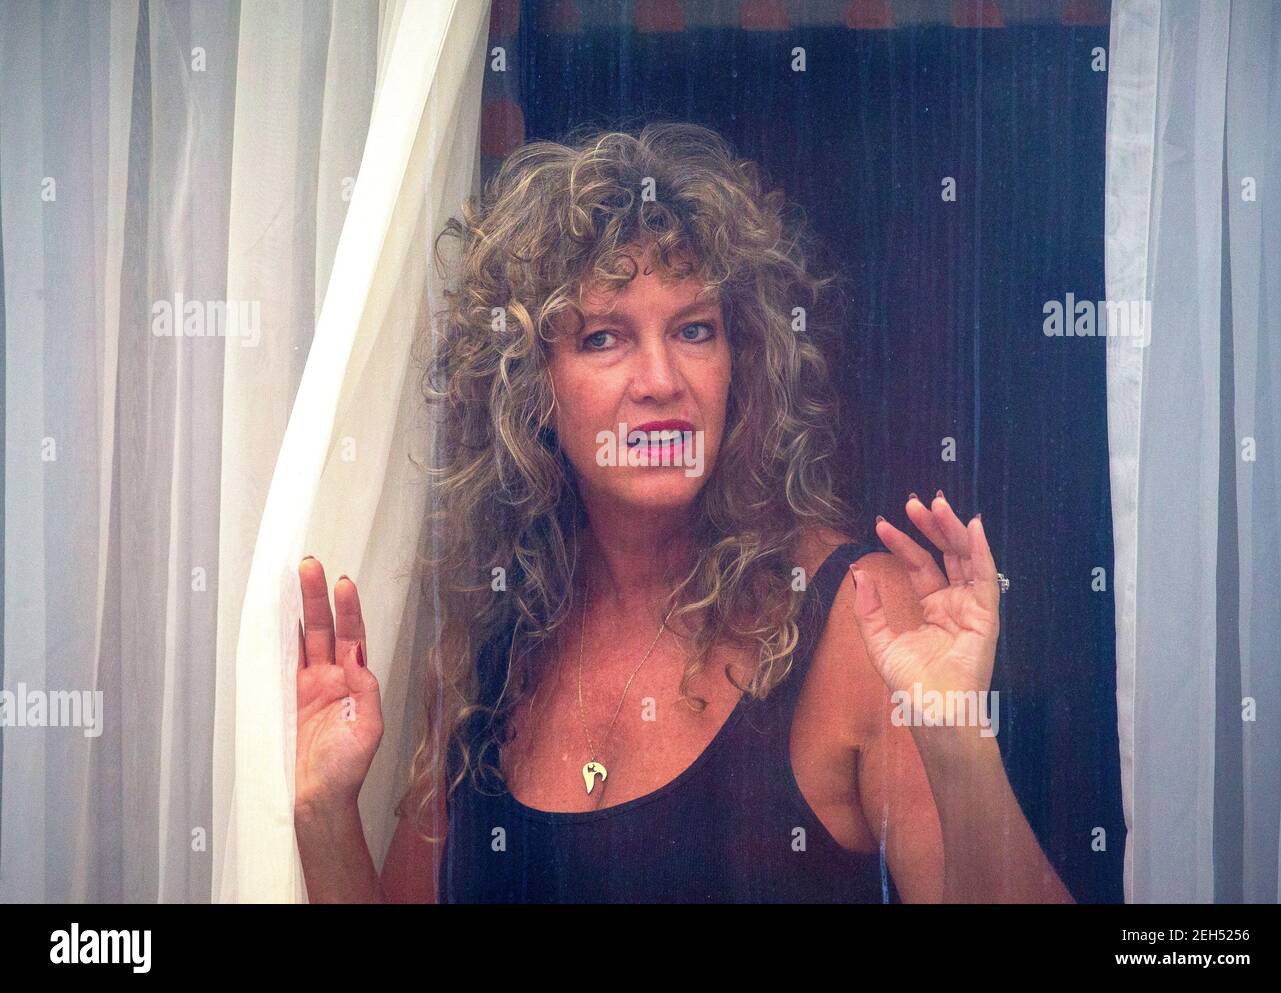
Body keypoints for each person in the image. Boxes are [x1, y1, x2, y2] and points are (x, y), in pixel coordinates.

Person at [292, 121, 1074, 903]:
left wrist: (958, 740)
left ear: (745, 359)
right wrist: (326, 813)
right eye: (605, 338)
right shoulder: (492, 639)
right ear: (531, 389)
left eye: (694, 329)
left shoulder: (860, 614)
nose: (661, 379)